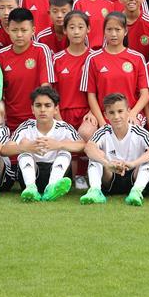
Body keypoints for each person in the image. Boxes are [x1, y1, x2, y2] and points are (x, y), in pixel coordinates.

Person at [2, 86, 85, 202]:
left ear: (56, 109)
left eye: (47, 105)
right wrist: (25, 147)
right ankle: (31, 188)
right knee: (25, 152)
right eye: (38, 105)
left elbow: (82, 145)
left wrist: (59, 144)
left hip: (55, 173)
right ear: (32, 108)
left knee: (64, 151)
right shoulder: (26, 126)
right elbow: (4, 150)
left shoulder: (63, 127)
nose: (42, 109)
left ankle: (52, 187)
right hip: (31, 175)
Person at [78, 92, 149, 206]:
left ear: (128, 111)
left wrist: (133, 163)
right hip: (110, 178)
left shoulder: (139, 132)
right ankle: (95, 191)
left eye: (120, 111)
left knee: (148, 159)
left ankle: (136, 192)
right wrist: (107, 163)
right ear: (105, 115)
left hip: (134, 176)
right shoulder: (104, 131)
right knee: (95, 155)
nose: (116, 117)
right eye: (112, 113)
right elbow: (89, 148)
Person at [82, 12, 149, 132]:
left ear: (125, 31)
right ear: (104, 32)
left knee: (130, 130)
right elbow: (91, 95)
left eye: (117, 29)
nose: (113, 34)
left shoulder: (137, 58)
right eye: (109, 29)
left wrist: (133, 113)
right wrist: (102, 122)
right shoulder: (93, 58)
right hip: (104, 114)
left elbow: (145, 94)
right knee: (85, 132)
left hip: (129, 113)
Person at [52, 11, 95, 187]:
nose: (76, 32)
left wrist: (93, 111)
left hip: (87, 112)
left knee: (86, 137)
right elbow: (52, 93)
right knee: (66, 145)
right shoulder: (57, 59)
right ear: (65, 31)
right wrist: (58, 117)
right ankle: (69, 175)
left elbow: (98, 91)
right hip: (63, 111)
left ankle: (84, 174)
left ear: (88, 29)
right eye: (72, 27)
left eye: (80, 27)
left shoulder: (94, 57)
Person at [0, 8, 55, 131]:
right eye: (14, 30)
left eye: (24, 30)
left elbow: (46, 86)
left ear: (33, 30)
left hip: (37, 119)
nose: (19, 35)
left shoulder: (41, 50)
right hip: (11, 121)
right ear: (7, 30)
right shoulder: (0, 56)